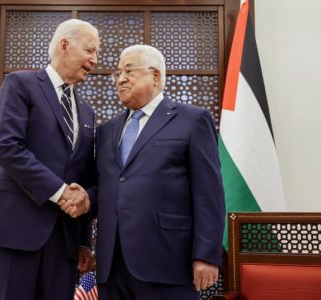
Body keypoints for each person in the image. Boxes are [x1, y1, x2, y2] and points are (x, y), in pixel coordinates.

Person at [0, 19, 100, 300]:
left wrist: (83, 242)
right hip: (16, 231)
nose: (95, 60)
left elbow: (82, 176)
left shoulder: (88, 112)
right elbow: (8, 147)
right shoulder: (20, 84)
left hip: (64, 242)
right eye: (90, 50)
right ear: (65, 44)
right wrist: (60, 194)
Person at [94, 45, 225, 300]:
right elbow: (103, 187)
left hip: (167, 261)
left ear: (155, 76)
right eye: (117, 73)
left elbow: (209, 192)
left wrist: (206, 254)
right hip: (112, 265)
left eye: (129, 71)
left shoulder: (192, 120)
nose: (120, 79)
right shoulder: (106, 130)